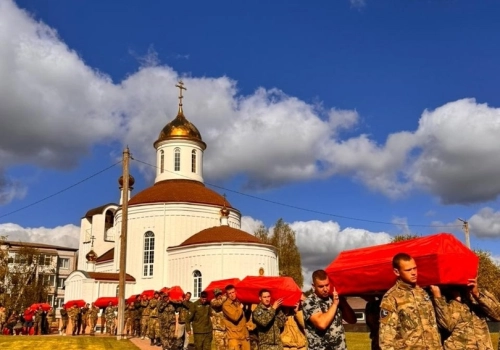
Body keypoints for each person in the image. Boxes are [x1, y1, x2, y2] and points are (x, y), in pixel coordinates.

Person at [378, 252, 442, 349]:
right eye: (408, 270)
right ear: (397, 272)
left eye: (415, 268)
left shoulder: (422, 293)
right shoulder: (391, 298)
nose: (413, 273)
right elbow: (386, 338)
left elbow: (434, 325)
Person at [430, 278, 500, 350]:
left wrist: (477, 295)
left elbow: (498, 315)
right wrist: (456, 301)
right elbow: (446, 325)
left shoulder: (478, 294)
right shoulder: (444, 296)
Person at [302, 269, 356, 350]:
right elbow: (322, 324)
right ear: (313, 286)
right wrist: (334, 304)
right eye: (321, 286)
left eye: (327, 285)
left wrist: (343, 302)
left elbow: (352, 320)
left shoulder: (334, 298)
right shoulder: (309, 302)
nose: (325, 289)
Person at [222, 284, 250, 350]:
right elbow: (235, 317)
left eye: (233, 292)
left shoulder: (239, 302)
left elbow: (245, 319)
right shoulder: (226, 305)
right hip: (233, 337)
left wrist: (248, 306)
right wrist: (240, 308)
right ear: (227, 295)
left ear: (236, 292)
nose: (232, 295)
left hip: (244, 336)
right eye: (230, 293)